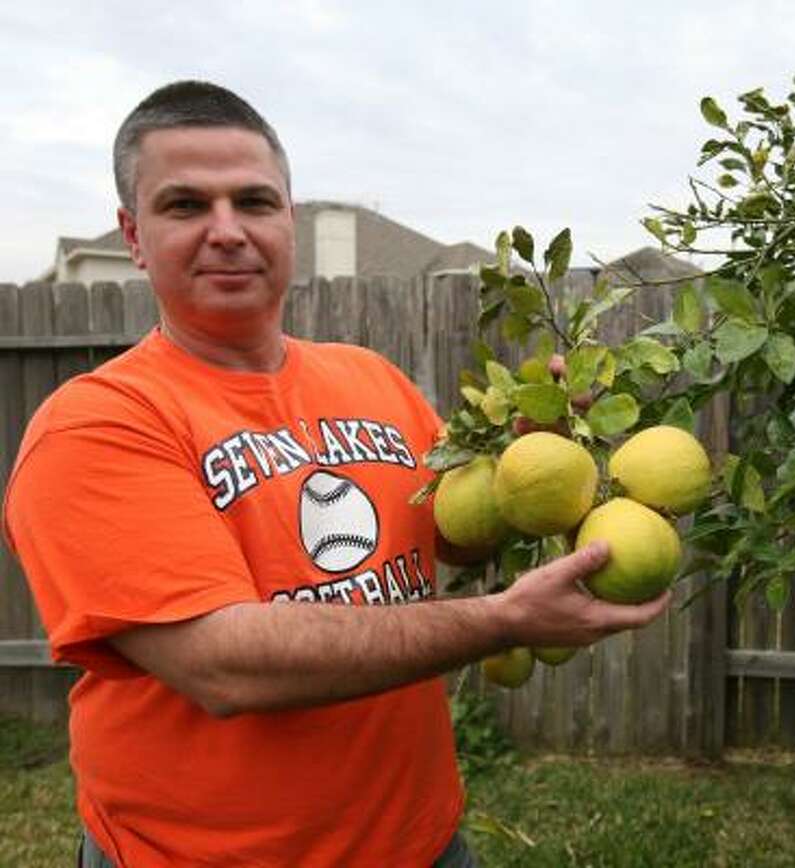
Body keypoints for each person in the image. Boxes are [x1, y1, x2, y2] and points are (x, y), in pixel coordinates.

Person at [1, 80, 669, 868]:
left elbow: (451, 540)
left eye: (254, 201)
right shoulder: (97, 425)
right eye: (185, 206)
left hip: (422, 840)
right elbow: (223, 664)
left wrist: (532, 455)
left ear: (290, 218)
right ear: (134, 235)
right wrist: (503, 621)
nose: (227, 231)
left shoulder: (371, 380)